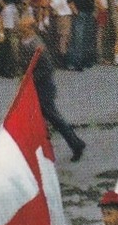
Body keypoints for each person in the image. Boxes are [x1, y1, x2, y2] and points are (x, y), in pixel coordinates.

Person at [16, 16, 85, 161]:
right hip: (32, 89)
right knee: (38, 120)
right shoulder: (23, 42)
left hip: (43, 89)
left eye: (22, 27)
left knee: (55, 119)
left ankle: (76, 144)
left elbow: (47, 68)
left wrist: (30, 79)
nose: (19, 29)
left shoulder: (37, 45)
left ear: (29, 29)